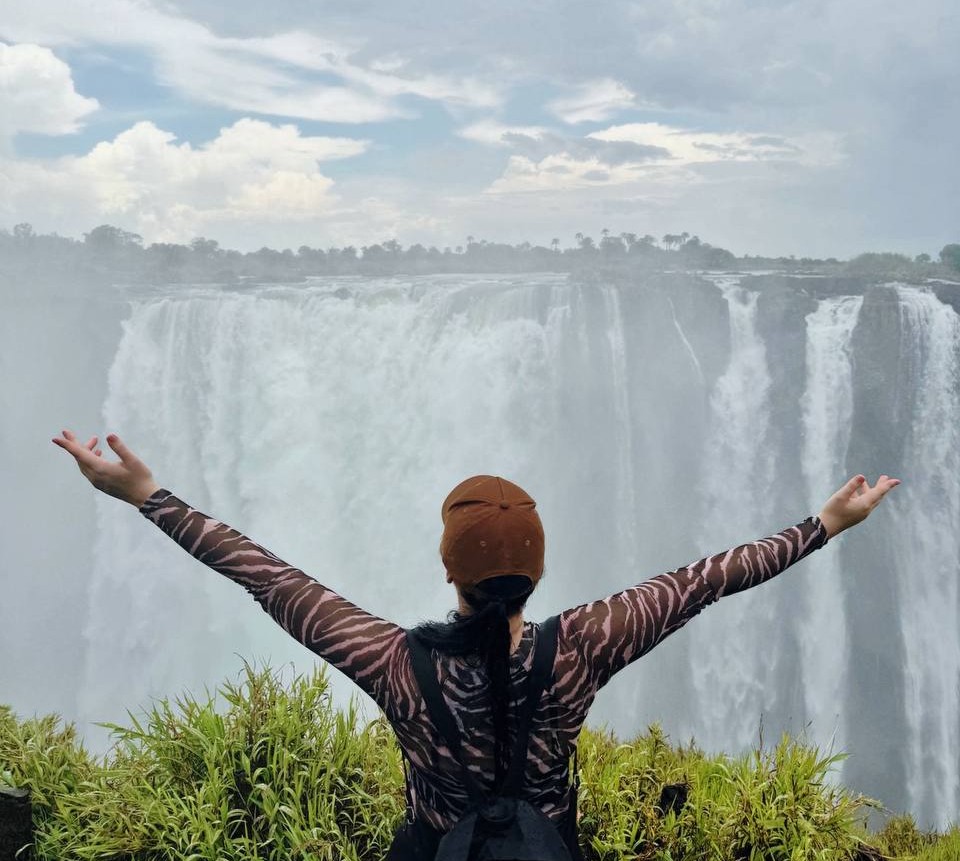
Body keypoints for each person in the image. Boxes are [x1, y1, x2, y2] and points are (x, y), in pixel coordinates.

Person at [51, 429, 900, 859]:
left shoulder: (393, 662)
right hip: (548, 848)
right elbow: (710, 577)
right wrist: (825, 522)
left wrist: (147, 495)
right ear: (537, 570)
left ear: (447, 567)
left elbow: (268, 577)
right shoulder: (584, 644)